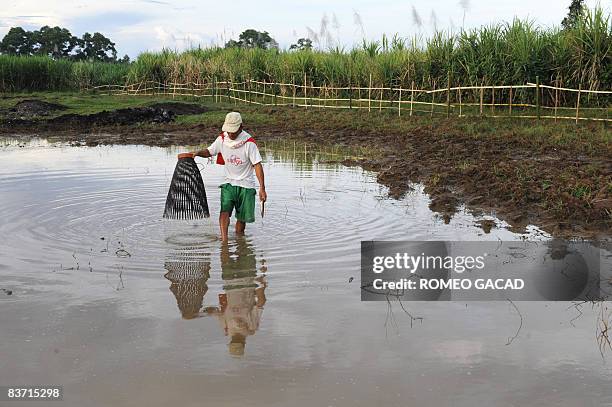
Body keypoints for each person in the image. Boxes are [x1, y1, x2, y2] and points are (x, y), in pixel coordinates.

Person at [192, 112, 267, 242]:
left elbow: (257, 165)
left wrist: (262, 188)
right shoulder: (222, 139)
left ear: (241, 127)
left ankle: (239, 242)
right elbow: (210, 151)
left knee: (242, 219)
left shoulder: (249, 143)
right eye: (229, 131)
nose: (230, 134)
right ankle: (224, 241)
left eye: (233, 131)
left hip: (246, 185)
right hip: (228, 183)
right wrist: (198, 153)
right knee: (224, 210)